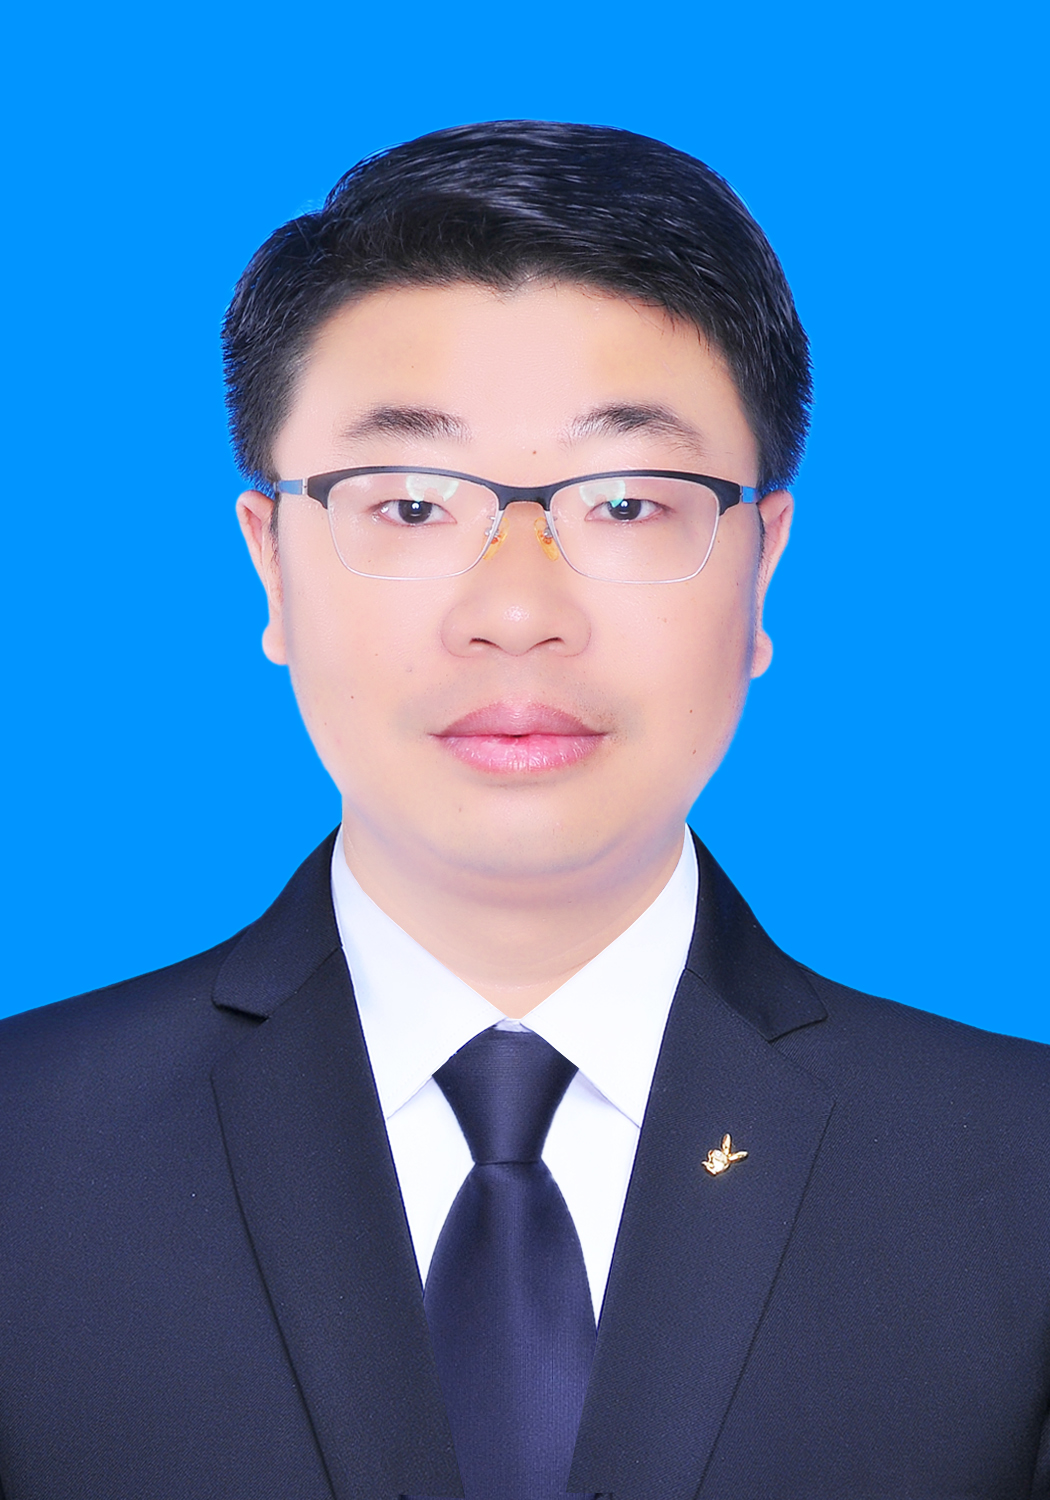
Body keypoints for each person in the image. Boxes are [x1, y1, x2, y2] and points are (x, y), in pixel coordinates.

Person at [0, 120, 1047, 1500]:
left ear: (760, 566)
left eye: (626, 503)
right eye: (411, 505)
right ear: (272, 564)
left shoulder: (1019, 1172)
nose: (514, 611)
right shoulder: (23, 1153)